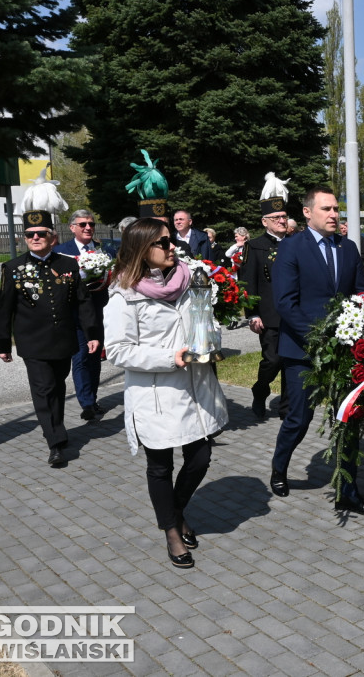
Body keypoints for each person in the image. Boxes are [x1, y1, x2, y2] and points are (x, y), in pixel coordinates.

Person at [103, 218, 228, 569]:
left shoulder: (189, 280)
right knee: (160, 468)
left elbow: (206, 320)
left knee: (201, 457)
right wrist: (168, 357)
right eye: (164, 243)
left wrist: (210, 338)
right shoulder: (123, 295)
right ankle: (172, 531)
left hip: (194, 389)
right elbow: (119, 351)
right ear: (143, 249)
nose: (172, 247)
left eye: (172, 241)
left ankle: (175, 510)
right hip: (156, 393)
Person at [270, 187, 364, 515]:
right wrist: (319, 340)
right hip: (303, 351)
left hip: (345, 350)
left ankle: (348, 490)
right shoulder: (291, 248)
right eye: (327, 209)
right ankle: (279, 467)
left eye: (336, 209)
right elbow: (286, 303)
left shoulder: (348, 248)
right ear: (307, 212)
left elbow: (361, 292)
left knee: (348, 418)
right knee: (299, 417)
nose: (334, 214)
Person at [0, 206, 99, 467]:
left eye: (41, 233)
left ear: (52, 237)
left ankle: (57, 429)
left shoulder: (67, 264)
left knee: (58, 386)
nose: (35, 238)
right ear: (24, 238)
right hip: (33, 343)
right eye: (30, 234)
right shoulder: (14, 267)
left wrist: (92, 333)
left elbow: (83, 302)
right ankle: (55, 443)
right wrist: (3, 344)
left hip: (63, 341)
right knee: (43, 390)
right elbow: (4, 309)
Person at [53, 209, 116, 421]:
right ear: (72, 228)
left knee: (95, 357)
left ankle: (93, 398)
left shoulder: (102, 250)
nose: (88, 227)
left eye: (91, 224)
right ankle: (87, 403)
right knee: (80, 357)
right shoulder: (62, 251)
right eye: (83, 224)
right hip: (75, 314)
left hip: (98, 311)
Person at [243, 205, 290, 420]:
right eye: (276, 217)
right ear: (265, 221)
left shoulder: (295, 243)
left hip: (293, 315)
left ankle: (286, 409)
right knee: (273, 360)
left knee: (291, 363)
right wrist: (252, 313)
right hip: (269, 315)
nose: (282, 220)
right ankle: (260, 391)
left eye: (284, 216)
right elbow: (248, 282)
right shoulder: (254, 246)